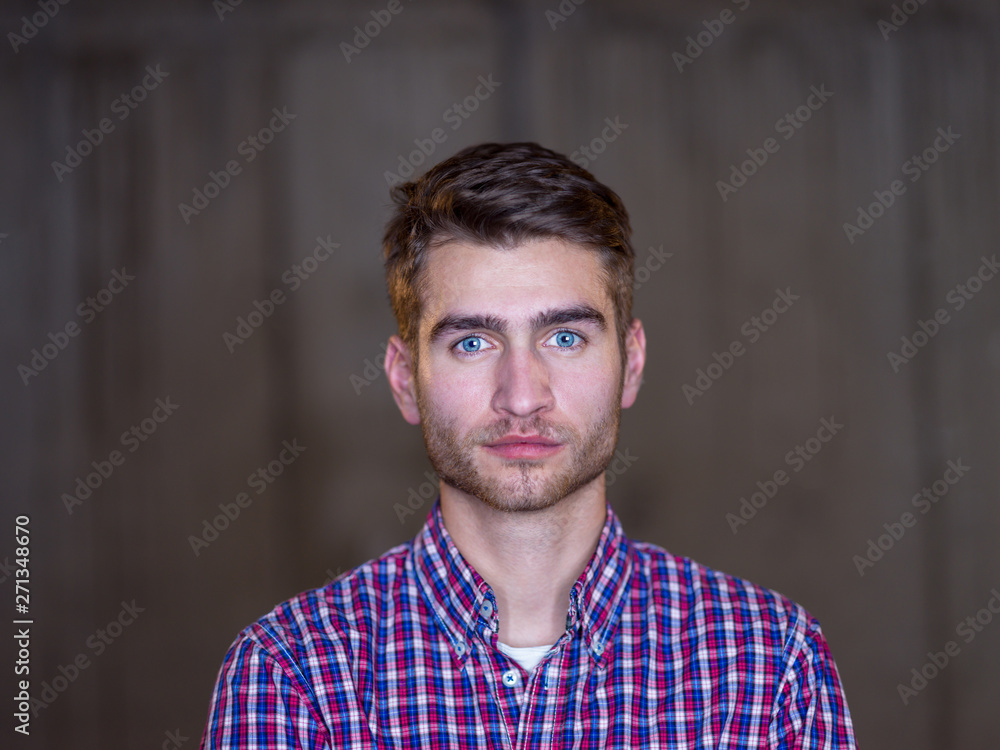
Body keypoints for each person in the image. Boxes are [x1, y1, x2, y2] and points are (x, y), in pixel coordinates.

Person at [199, 142, 857, 748]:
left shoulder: (768, 669)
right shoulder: (290, 678)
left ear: (630, 364)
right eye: (472, 343)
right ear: (406, 382)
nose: (521, 395)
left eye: (564, 338)